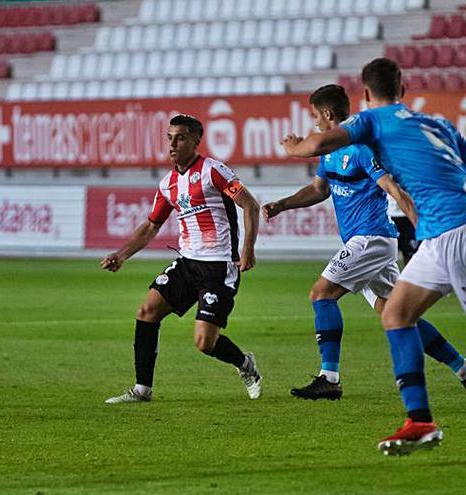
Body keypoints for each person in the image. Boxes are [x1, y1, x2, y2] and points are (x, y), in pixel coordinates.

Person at [282, 58, 466, 456]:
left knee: (329, 294)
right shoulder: (438, 124)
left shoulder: (372, 122)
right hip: (437, 236)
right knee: (396, 315)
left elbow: (314, 145)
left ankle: (331, 377)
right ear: (403, 88)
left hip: (449, 231)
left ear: (365, 95)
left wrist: (293, 145)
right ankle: (420, 421)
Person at [102, 114, 262, 404]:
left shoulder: (215, 171)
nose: (173, 143)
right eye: (169, 137)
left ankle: (245, 364)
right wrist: (121, 255)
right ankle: (142, 389)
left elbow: (250, 205)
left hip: (218, 266)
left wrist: (247, 249)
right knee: (146, 311)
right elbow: (151, 226)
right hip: (187, 263)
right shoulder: (168, 184)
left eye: (181, 137)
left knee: (204, 342)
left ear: (196, 141)